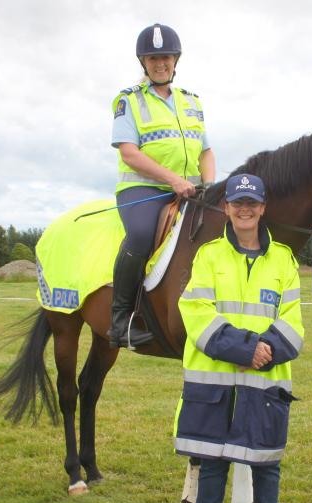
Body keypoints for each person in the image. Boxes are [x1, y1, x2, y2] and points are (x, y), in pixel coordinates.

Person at [174, 174, 304, 503]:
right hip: (214, 391)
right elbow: (196, 310)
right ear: (226, 207)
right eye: (238, 203)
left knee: (266, 468)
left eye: (251, 203)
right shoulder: (208, 256)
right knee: (213, 467)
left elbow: (292, 322)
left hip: (264, 389)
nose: (244, 209)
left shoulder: (284, 260)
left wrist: (264, 354)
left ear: (263, 208)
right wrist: (244, 349)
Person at [109, 23, 216, 349]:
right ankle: (121, 319)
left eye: (166, 57)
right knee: (141, 234)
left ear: (175, 60)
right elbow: (129, 153)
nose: (160, 64)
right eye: (153, 58)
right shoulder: (128, 100)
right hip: (144, 190)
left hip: (193, 189)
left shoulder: (191, 101)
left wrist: (209, 185)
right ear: (144, 62)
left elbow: (206, 150)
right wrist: (174, 181)